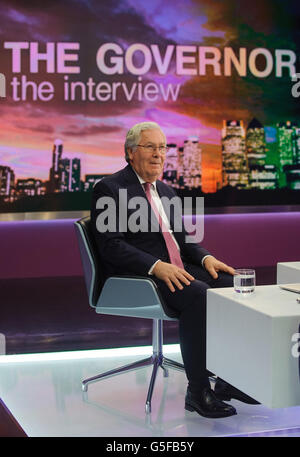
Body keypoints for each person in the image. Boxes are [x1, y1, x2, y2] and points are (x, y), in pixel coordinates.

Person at [91, 121, 259, 418]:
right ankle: (197, 392)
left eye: (162, 148)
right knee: (199, 294)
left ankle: (228, 380)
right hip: (140, 277)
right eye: (150, 147)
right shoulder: (110, 188)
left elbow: (183, 239)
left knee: (231, 285)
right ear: (130, 152)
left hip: (177, 268)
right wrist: (156, 266)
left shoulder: (166, 190)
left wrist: (206, 258)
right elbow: (111, 246)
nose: (159, 154)